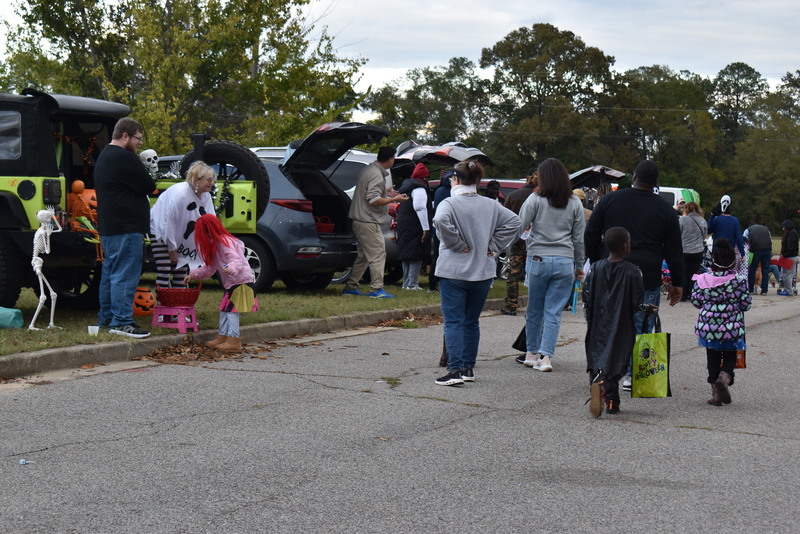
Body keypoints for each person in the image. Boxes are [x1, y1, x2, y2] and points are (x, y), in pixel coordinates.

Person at [584, 160, 684, 391]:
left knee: (607, 321)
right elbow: (674, 250)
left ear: (634, 176)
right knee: (643, 322)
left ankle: (604, 369)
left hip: (610, 270)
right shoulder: (665, 211)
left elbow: (591, 233)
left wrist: (596, 260)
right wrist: (677, 282)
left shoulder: (609, 201)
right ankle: (635, 373)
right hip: (646, 273)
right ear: (656, 182)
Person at [432, 160, 521, 386]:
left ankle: (454, 370)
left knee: (453, 321)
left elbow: (440, 220)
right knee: (472, 321)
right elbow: (515, 221)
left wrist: (454, 243)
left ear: (456, 179)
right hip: (482, 270)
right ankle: (467, 368)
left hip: (454, 270)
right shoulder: (490, 204)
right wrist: (494, 245)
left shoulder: (450, 203)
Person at [518, 158, 586, 373]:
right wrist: (579, 265)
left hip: (538, 259)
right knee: (553, 311)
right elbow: (579, 238)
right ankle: (546, 357)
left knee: (534, 309)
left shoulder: (535, 199)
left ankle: (531, 353)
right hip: (565, 260)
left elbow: (519, 225)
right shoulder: (574, 202)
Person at [94, 117, 156, 338]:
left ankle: (106, 319)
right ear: (125, 136)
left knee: (110, 274)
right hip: (126, 227)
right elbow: (149, 185)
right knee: (125, 275)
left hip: (110, 227)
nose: (139, 143)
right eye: (138, 138)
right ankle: (122, 322)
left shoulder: (105, 156)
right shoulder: (124, 157)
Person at [583, 227, 647, 417]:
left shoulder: (595, 268)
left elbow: (587, 295)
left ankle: (599, 386)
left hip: (598, 322)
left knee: (597, 355)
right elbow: (637, 301)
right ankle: (610, 398)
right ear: (626, 246)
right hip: (622, 323)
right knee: (618, 359)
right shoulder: (633, 271)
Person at [690, 238, 751, 406]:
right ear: (733, 263)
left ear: (713, 261)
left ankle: (716, 396)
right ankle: (724, 379)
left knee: (712, 358)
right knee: (730, 356)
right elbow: (746, 304)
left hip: (709, 328)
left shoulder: (703, 279)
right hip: (732, 328)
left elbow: (696, 301)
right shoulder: (739, 281)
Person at [184, 214, 257, 353]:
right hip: (232, 282)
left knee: (231, 311)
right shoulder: (216, 244)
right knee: (225, 310)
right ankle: (223, 337)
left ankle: (234, 341)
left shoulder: (224, 242)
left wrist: (231, 269)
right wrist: (193, 274)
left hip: (240, 281)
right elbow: (209, 268)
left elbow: (235, 259)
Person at [343, 146, 407, 298]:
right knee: (378, 253)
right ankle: (376, 289)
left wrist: (386, 192)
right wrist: (394, 199)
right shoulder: (376, 175)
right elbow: (373, 199)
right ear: (390, 159)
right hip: (367, 221)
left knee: (364, 255)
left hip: (361, 220)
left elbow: (370, 192)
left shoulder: (369, 169)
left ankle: (350, 287)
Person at [149, 161, 216, 289]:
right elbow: (168, 224)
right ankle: (162, 300)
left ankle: (178, 300)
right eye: (208, 179)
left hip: (180, 232)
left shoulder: (206, 196)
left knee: (181, 269)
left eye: (212, 179)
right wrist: (172, 250)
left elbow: (210, 221)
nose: (212, 182)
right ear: (197, 180)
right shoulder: (181, 195)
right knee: (164, 268)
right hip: (159, 229)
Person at [501, 167, 538, 317]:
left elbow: (504, 217)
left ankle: (511, 304)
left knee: (514, 272)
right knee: (535, 274)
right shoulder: (541, 197)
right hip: (536, 240)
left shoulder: (514, 196)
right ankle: (534, 306)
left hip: (517, 239)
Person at [395, 163, 432, 290]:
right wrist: (426, 228)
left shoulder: (407, 187)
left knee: (406, 253)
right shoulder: (419, 188)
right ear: (424, 177)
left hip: (404, 224)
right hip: (416, 225)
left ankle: (406, 283)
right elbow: (420, 207)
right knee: (417, 253)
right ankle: (412, 284)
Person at [428, 169, 453, 292]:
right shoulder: (451, 192)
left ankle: (432, 283)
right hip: (447, 226)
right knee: (446, 255)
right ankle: (441, 282)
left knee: (437, 256)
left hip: (437, 226)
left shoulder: (438, 190)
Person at [679, 201, 707, 301]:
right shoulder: (702, 220)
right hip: (697, 250)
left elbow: (678, 233)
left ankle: (682, 295)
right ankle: (691, 294)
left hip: (684, 250)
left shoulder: (682, 219)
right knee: (693, 273)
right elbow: (704, 235)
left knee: (683, 273)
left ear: (686, 209)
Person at [745, 223, 773, 295]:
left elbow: (744, 241)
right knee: (765, 270)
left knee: (752, 269)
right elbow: (771, 240)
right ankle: (764, 290)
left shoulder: (748, 230)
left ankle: (751, 289)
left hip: (756, 249)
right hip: (767, 249)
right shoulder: (766, 229)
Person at [778, 219, 798, 296]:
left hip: (789, 257)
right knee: (790, 274)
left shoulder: (791, 234)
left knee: (787, 275)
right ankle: (787, 289)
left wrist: (784, 255)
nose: (783, 229)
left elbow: (790, 247)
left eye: (784, 227)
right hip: (793, 256)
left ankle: (789, 291)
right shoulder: (794, 232)